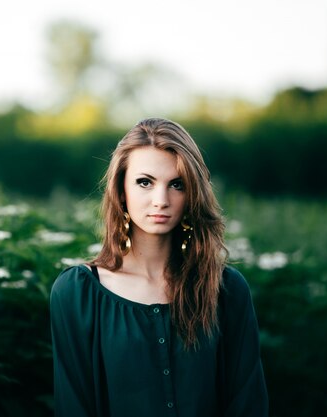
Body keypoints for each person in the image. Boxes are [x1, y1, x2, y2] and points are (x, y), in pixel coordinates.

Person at [49, 118, 268, 417]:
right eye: (145, 182)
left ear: (192, 194)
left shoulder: (226, 289)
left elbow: (248, 404)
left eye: (177, 184)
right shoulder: (77, 293)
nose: (161, 200)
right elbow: (73, 406)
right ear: (121, 190)